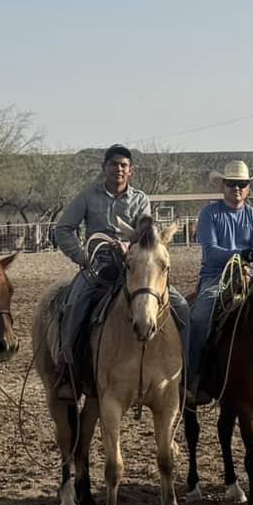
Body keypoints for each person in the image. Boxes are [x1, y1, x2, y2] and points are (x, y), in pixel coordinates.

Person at [51, 145, 155, 382]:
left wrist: (130, 246)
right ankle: (67, 368)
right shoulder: (88, 196)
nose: (118, 169)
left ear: (131, 171)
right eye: (113, 164)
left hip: (132, 266)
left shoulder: (140, 200)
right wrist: (82, 257)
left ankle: (174, 369)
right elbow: (64, 229)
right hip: (97, 267)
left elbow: (145, 236)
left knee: (172, 303)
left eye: (123, 165)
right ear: (104, 168)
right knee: (75, 303)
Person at [185, 160, 253, 401]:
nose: (237, 188)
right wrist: (242, 255)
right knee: (199, 317)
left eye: (242, 184)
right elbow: (210, 251)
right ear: (223, 186)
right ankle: (192, 377)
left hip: (249, 275)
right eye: (232, 184)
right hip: (215, 277)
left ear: (249, 187)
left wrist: (251, 264)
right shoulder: (210, 214)